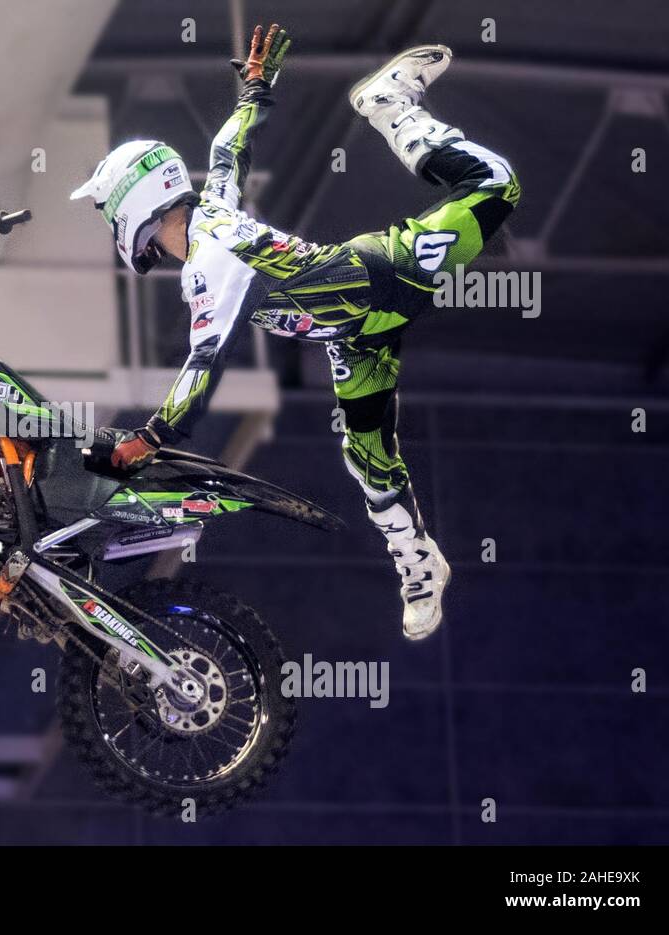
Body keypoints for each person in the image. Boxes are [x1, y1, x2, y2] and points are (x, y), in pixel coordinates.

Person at [69, 23, 521, 640]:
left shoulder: (210, 261)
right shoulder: (215, 214)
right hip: (356, 332)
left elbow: (205, 362)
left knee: (497, 186)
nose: (107, 222)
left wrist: (149, 438)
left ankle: (392, 107)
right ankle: (420, 565)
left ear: (131, 203)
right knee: (367, 458)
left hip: (379, 278)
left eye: (106, 211)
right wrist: (254, 90)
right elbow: (229, 152)